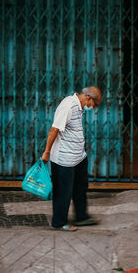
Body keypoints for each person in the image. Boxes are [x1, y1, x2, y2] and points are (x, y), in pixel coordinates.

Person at [41, 86, 102, 231]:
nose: (94, 108)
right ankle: (59, 222)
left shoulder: (79, 107)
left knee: (80, 187)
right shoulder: (68, 105)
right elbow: (54, 129)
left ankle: (81, 216)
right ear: (89, 98)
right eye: (95, 104)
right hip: (64, 159)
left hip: (78, 157)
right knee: (63, 191)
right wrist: (47, 152)